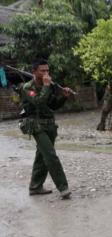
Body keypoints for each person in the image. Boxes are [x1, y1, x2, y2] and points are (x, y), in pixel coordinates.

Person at [20, 59, 72, 199]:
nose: (46, 73)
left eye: (47, 70)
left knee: (42, 156)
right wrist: (47, 86)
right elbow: (38, 101)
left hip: (50, 125)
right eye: (42, 71)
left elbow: (53, 105)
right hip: (36, 126)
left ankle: (35, 187)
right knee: (50, 155)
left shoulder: (47, 86)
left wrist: (63, 97)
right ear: (34, 72)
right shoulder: (27, 88)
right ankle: (63, 188)